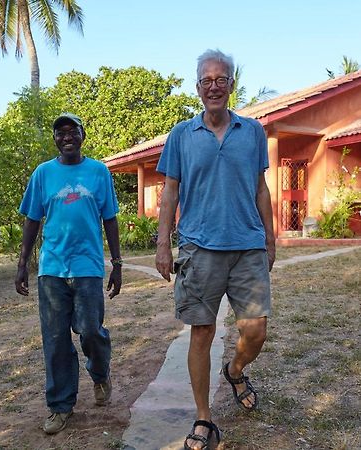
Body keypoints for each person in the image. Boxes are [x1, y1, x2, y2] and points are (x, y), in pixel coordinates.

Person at [155, 49, 275, 450]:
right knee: (201, 332)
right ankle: (204, 417)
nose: (213, 86)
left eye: (221, 79)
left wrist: (269, 239)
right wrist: (162, 244)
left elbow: (261, 188)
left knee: (255, 330)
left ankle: (236, 369)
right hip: (198, 248)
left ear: (231, 84)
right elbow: (170, 193)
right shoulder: (181, 135)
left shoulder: (253, 131)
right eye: (206, 80)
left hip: (247, 246)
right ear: (198, 88)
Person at [15, 112, 122, 435]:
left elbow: (111, 219)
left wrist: (117, 264)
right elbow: (32, 219)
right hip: (52, 269)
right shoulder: (43, 174)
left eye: (71, 131)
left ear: (82, 135)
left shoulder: (99, 172)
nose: (66, 137)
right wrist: (22, 263)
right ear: (55, 139)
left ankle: (100, 373)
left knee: (90, 330)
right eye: (60, 133)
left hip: (88, 267)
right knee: (57, 339)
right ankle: (60, 406)